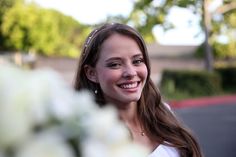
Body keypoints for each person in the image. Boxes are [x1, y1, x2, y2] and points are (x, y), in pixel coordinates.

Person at [74, 23, 203, 157]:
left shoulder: (163, 115)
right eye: (115, 64)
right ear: (91, 73)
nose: (130, 72)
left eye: (137, 61)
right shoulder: (88, 139)